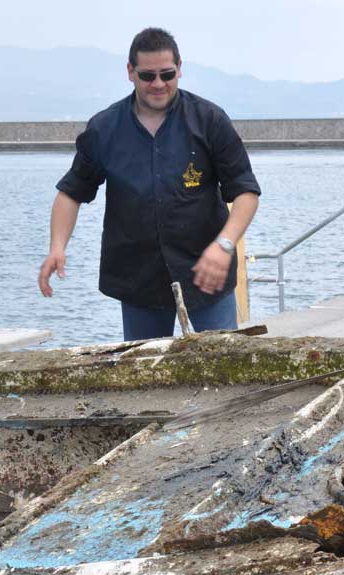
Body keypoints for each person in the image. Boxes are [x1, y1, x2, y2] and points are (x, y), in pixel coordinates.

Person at [38, 27, 261, 341]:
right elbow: (71, 193)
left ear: (179, 69)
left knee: (223, 361)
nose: (158, 84)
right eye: (147, 76)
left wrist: (224, 246)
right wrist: (57, 247)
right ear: (130, 72)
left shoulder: (209, 120)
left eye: (167, 74)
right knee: (143, 365)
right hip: (138, 278)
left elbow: (246, 192)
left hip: (207, 272)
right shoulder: (104, 129)